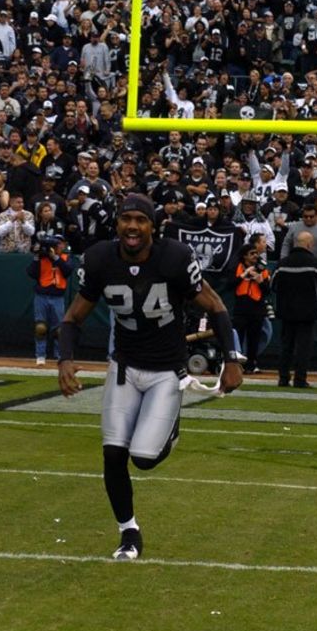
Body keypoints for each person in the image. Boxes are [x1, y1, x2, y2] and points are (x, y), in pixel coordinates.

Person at [57, 193, 243, 560]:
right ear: (117, 224)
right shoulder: (99, 259)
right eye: (126, 219)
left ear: (152, 227)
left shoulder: (174, 258)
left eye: (140, 220)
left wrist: (231, 358)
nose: (132, 226)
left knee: (143, 457)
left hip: (165, 372)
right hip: (125, 367)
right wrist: (64, 359)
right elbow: (72, 318)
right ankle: (129, 533)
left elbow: (215, 305)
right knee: (113, 454)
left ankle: (172, 430)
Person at [272, 231, 317, 387]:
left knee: (286, 345)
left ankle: (283, 378)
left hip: (286, 311)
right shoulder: (315, 264)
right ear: (310, 245)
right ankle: (300, 379)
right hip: (307, 312)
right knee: (303, 347)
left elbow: (273, 285)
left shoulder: (282, 264)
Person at [26, 232, 72, 365]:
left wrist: (55, 257)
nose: (56, 246)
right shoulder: (41, 258)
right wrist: (36, 256)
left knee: (59, 329)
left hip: (58, 296)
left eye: (58, 243)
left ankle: (59, 355)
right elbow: (31, 273)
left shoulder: (65, 257)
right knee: (41, 327)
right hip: (42, 295)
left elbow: (68, 271)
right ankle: (40, 355)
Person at [230, 242, 272, 374]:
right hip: (241, 307)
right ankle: (237, 365)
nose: (255, 256)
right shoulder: (237, 268)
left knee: (254, 338)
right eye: (252, 254)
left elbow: (267, 291)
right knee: (239, 337)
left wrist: (260, 281)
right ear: (244, 256)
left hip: (257, 308)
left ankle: (251, 364)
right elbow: (229, 285)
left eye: (256, 253)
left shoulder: (263, 269)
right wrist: (244, 275)